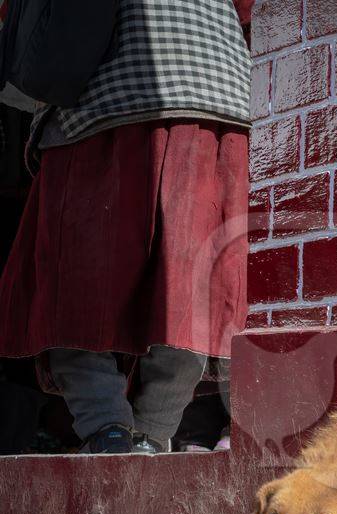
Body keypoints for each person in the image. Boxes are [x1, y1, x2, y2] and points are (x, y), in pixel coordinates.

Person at [0, 0, 253, 453]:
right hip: (218, 90)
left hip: (98, 99)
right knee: (190, 294)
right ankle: (152, 436)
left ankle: (110, 430)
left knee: (73, 291)